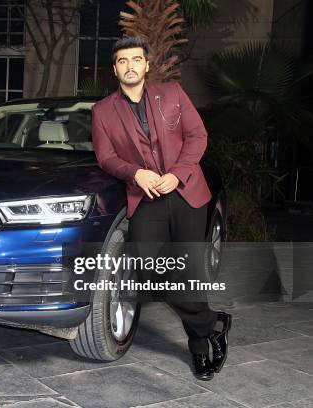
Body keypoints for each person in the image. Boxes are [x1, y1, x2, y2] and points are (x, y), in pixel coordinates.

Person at [91, 36, 231, 380]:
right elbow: (106, 157)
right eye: (122, 61)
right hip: (145, 198)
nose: (130, 66)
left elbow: (197, 136)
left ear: (146, 64)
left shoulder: (172, 94)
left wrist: (177, 174)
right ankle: (213, 322)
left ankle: (199, 349)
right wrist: (135, 172)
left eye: (136, 59)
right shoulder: (102, 111)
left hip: (185, 193)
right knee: (145, 270)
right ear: (115, 69)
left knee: (190, 274)